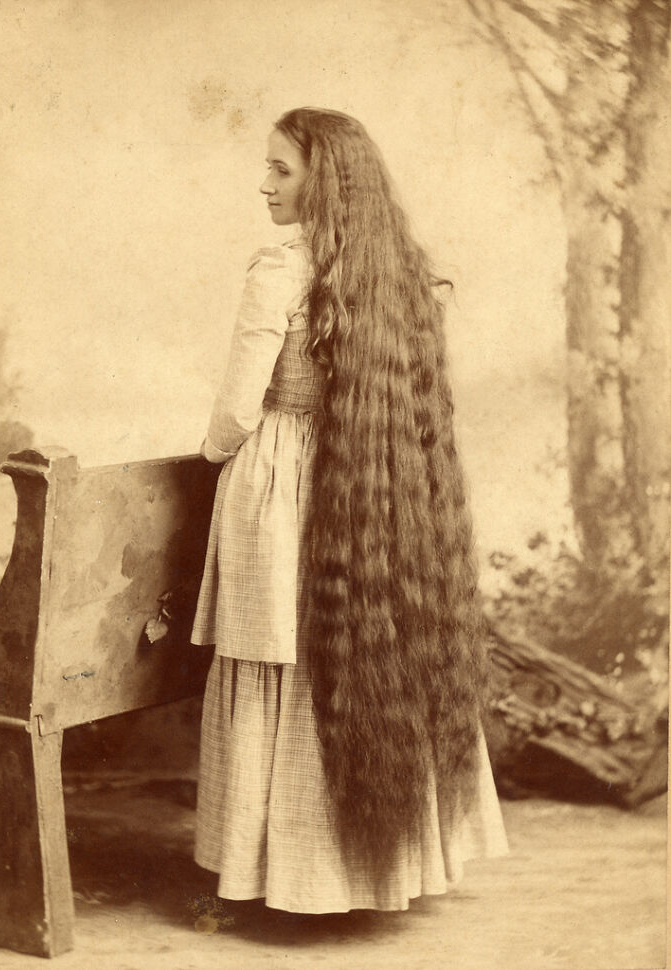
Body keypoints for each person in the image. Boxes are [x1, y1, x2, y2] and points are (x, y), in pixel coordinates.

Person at [190, 107, 508, 914]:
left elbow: (234, 412)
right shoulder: (404, 275)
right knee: (369, 654)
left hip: (284, 486)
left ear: (321, 179)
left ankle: (284, 875)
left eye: (280, 170)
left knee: (284, 660)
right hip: (377, 488)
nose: (264, 184)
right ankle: (383, 869)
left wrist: (213, 458)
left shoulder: (277, 271)